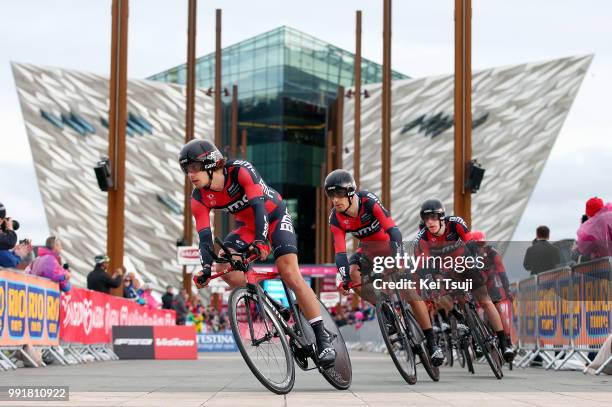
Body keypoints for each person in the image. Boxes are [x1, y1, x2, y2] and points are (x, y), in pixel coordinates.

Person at [181, 139, 336, 368]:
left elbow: (259, 207)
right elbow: (205, 238)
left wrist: (262, 242)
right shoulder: (198, 198)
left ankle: (323, 338)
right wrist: (204, 269)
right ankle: (273, 306)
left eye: (194, 167)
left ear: (211, 164)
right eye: (186, 170)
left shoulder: (241, 170)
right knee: (224, 267)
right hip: (247, 228)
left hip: (273, 216)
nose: (190, 174)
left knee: (289, 273)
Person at [325, 169, 444, 366]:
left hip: (390, 246)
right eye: (331, 195)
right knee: (353, 274)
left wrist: (397, 259)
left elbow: (394, 231)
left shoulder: (368, 200)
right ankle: (385, 307)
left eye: (338, 194)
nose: (335, 200)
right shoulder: (335, 218)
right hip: (368, 251)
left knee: (409, 292)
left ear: (350, 191)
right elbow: (340, 253)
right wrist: (344, 278)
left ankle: (432, 343)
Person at [414, 198, 515, 362]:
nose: (429, 222)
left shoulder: (456, 224)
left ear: (442, 217)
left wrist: (476, 263)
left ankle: (504, 343)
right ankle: (462, 320)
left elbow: (472, 246)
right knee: (439, 287)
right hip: (446, 271)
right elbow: (423, 265)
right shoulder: (422, 238)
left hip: (465, 264)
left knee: (486, 301)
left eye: (433, 217)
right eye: (426, 219)